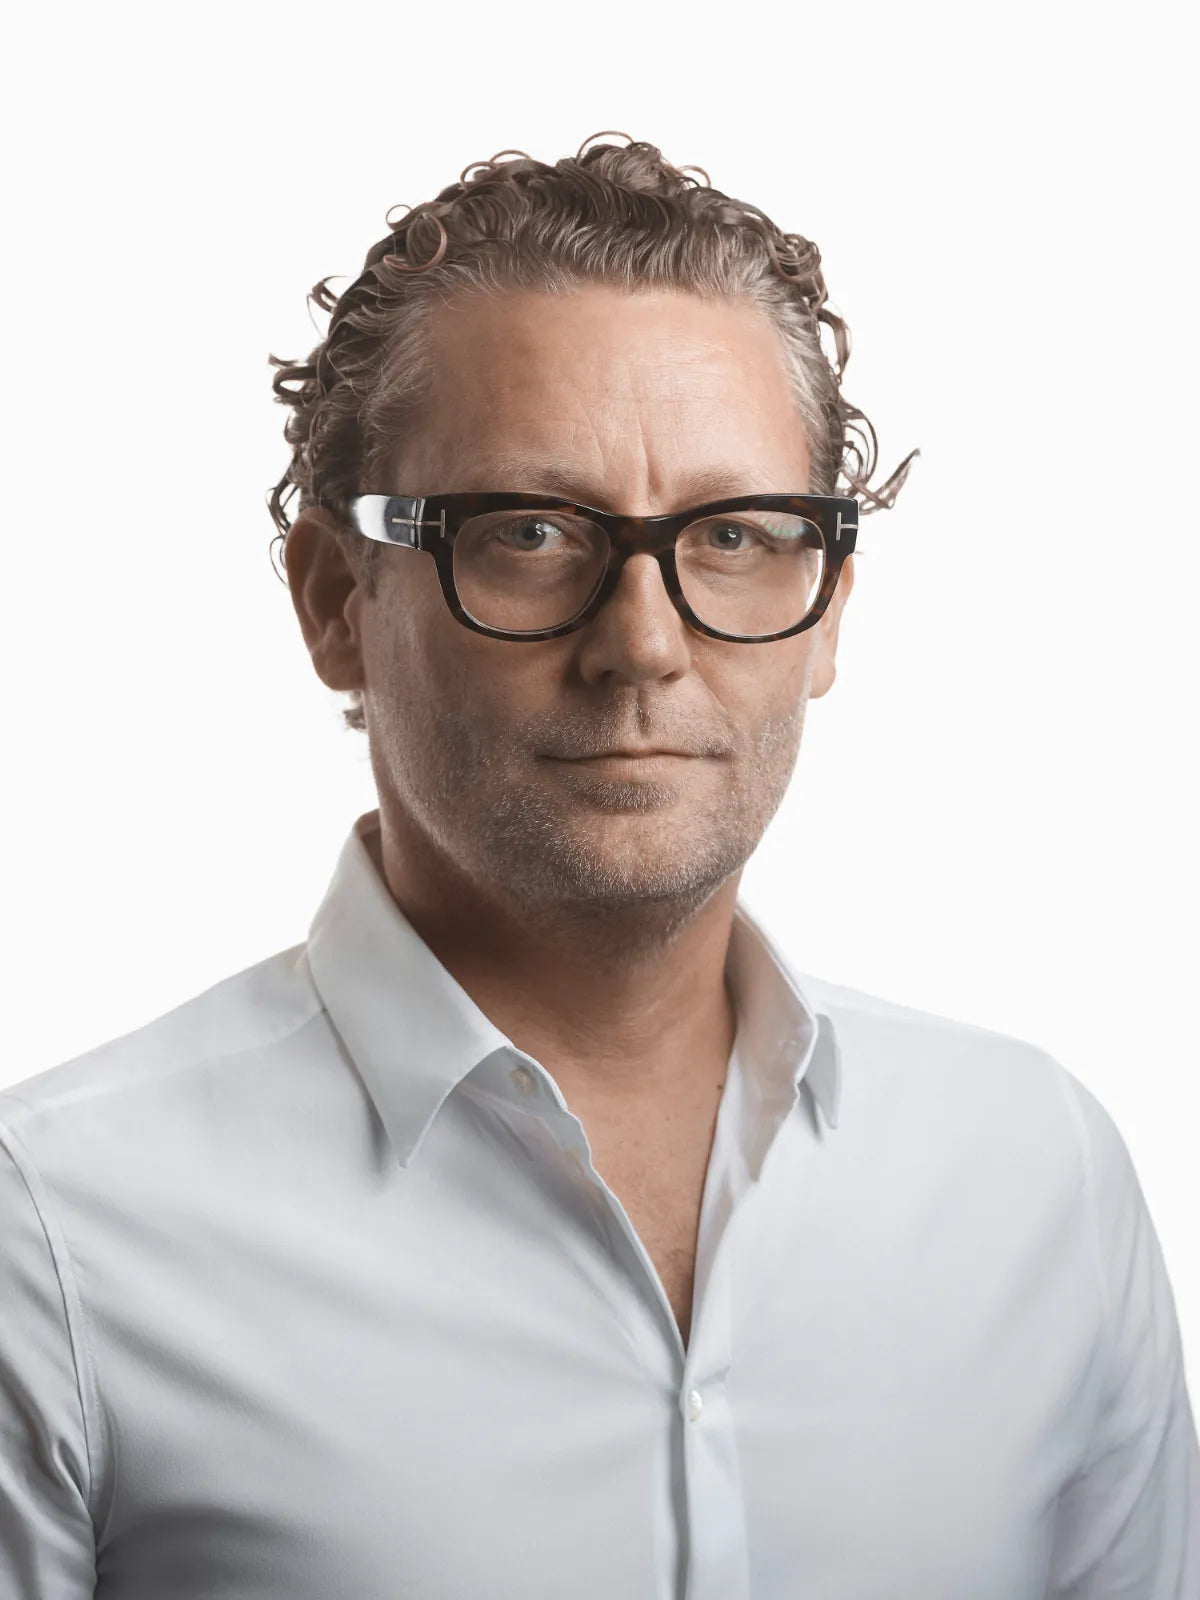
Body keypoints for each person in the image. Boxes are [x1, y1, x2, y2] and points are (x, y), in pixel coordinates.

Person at [1, 132, 1195, 1599]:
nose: (643, 643)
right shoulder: (52, 1237)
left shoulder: (1036, 1178)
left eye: (736, 535)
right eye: (529, 533)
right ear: (333, 602)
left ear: (828, 613)